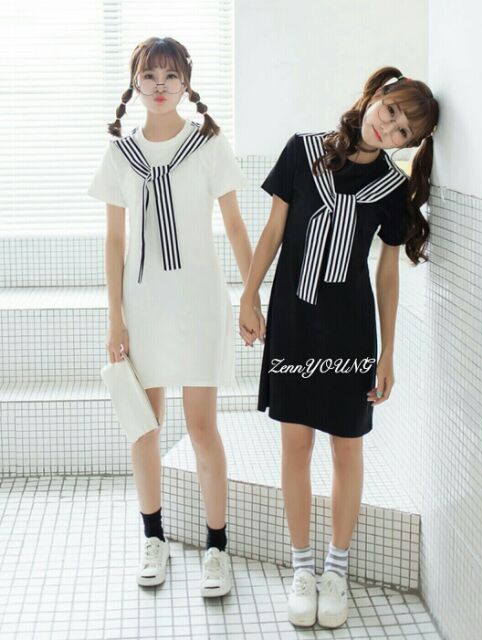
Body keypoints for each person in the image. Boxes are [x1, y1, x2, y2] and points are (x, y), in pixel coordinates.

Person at [238, 66, 439, 629]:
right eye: (391, 111)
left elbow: (387, 273)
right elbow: (273, 232)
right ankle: (302, 569)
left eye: (403, 132)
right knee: (295, 444)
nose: (388, 129)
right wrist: (248, 296)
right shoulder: (302, 152)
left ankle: (336, 571)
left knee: (347, 448)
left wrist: (389, 352)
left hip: (350, 330)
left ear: (410, 145)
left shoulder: (392, 189)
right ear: (376, 96)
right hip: (293, 321)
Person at [87, 36, 257, 596]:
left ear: (186, 83)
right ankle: (153, 540)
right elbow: (115, 242)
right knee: (146, 425)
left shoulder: (208, 144)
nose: (160, 87)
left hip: (200, 302)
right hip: (144, 306)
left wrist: (253, 294)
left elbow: (235, 225)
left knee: (202, 427)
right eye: (149, 77)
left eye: (170, 77)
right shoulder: (121, 155)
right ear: (135, 84)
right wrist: (115, 318)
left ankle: (217, 549)